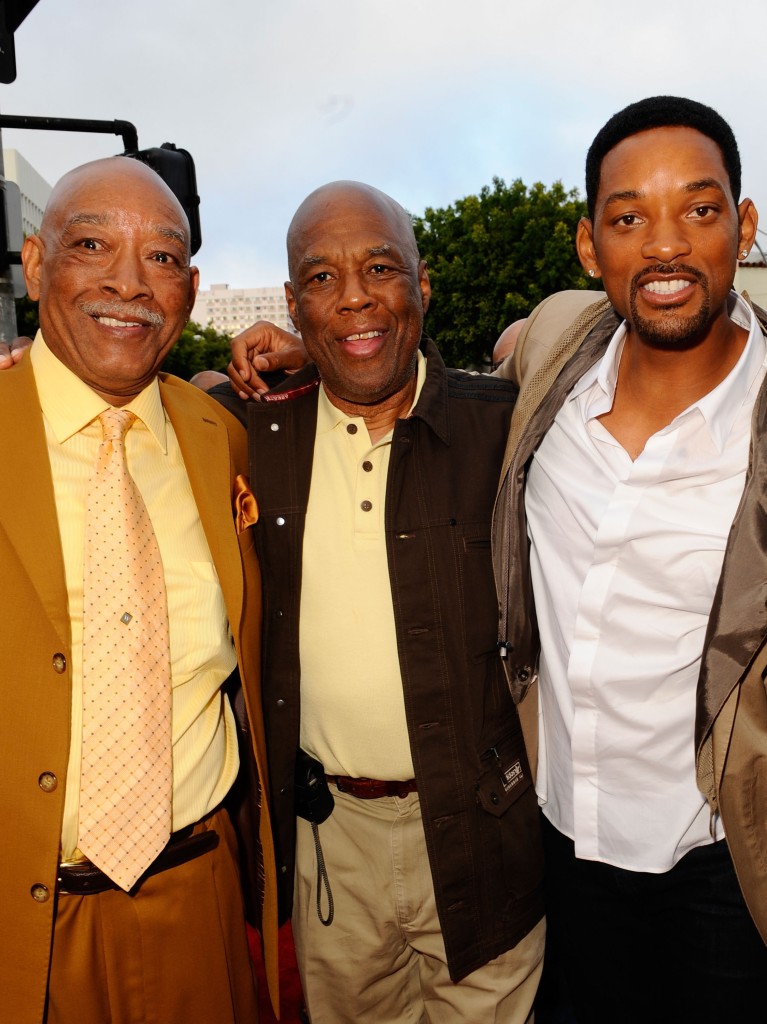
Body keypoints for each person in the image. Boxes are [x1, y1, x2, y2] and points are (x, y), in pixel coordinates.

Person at [213, 180, 545, 1024]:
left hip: (485, 826)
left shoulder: (506, 428)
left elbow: (599, 338)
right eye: (321, 279)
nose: (354, 296)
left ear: (421, 284)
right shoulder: (250, 435)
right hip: (329, 844)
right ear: (293, 303)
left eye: (380, 268)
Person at [493, 95, 767, 1023]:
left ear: (743, 226)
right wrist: (290, 362)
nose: (665, 246)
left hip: (723, 862)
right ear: (587, 245)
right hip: (563, 843)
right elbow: (427, 389)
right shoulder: (552, 355)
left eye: (698, 208)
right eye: (627, 218)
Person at [0, 157, 279, 1024]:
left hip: (197, 896)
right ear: (36, 264)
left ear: (189, 289)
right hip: (21, 920)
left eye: (161, 257)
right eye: (92, 246)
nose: (129, 283)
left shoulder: (220, 438)